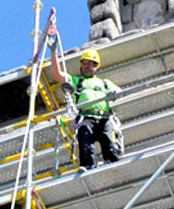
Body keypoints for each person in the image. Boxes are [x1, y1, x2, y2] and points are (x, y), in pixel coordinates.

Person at [48, 39, 123, 170]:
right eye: (85, 63)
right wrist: (53, 52)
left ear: (96, 66)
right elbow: (57, 74)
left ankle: (114, 165)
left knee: (110, 146)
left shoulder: (104, 83)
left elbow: (119, 91)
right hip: (86, 118)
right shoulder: (76, 82)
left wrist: (115, 92)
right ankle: (88, 167)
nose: (87, 66)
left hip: (104, 118)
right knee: (85, 145)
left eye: (90, 64)